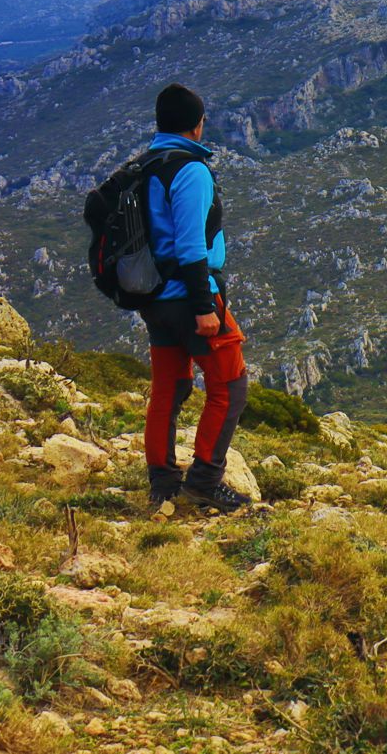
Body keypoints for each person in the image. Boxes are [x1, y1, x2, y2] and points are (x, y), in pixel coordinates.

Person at [139, 83, 252, 511]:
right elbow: (190, 247)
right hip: (190, 296)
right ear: (198, 125)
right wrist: (205, 306)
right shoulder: (190, 170)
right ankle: (204, 481)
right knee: (230, 386)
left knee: (170, 386)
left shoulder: (147, 166)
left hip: (154, 300)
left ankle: (162, 483)